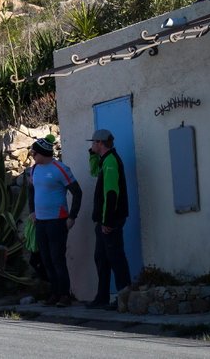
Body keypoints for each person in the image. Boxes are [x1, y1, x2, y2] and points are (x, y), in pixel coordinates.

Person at [27, 134, 83, 307]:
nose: (32, 156)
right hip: (41, 221)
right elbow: (31, 190)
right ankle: (54, 293)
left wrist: (72, 216)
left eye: (34, 153)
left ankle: (65, 295)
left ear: (43, 153)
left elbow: (77, 192)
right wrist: (32, 212)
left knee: (57, 259)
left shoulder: (60, 169)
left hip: (57, 221)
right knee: (46, 259)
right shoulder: (34, 169)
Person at [86, 129, 132, 310]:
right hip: (104, 220)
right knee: (101, 258)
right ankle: (102, 297)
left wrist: (107, 221)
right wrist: (92, 156)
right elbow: (93, 171)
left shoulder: (111, 161)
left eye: (93, 143)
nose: (91, 145)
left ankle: (124, 299)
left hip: (110, 220)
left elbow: (111, 193)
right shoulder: (105, 160)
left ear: (100, 143)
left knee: (116, 258)